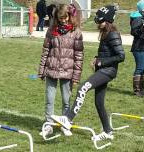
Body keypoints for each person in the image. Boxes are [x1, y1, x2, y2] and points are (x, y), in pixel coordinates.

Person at [51, 5, 125, 141]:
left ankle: (68, 119)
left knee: (82, 88)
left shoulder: (113, 33)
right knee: (99, 103)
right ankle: (108, 131)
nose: (98, 24)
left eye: (101, 21)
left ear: (108, 21)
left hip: (108, 71)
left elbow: (121, 56)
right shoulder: (106, 32)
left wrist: (101, 62)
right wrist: (98, 59)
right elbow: (107, 52)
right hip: (103, 70)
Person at [38, 4, 84, 136]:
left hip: (67, 71)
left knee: (66, 101)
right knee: (49, 100)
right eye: (60, 18)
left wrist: (76, 76)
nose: (63, 20)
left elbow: (79, 56)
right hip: (51, 70)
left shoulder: (76, 32)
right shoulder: (51, 30)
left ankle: (65, 124)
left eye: (65, 17)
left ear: (70, 16)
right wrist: (41, 71)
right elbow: (45, 51)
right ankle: (48, 125)